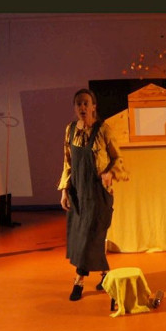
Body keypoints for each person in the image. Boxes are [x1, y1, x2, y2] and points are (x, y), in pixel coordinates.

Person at [58, 88, 127, 301]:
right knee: (85, 237)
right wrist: (64, 191)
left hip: (98, 194)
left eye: (86, 103)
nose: (82, 107)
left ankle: (78, 281)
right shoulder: (70, 130)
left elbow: (118, 159)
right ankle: (106, 275)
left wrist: (110, 173)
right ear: (74, 107)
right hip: (78, 193)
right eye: (78, 103)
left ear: (94, 106)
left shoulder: (103, 130)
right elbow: (67, 162)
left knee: (90, 236)